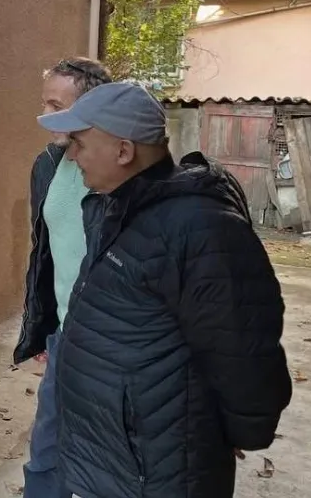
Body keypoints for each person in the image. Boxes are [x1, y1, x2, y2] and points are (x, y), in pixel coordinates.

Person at [37, 81, 293, 498]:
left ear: (123, 151)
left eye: (80, 143)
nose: (72, 154)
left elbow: (242, 346)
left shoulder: (200, 227)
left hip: (160, 465)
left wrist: (240, 429)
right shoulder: (117, 208)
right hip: (119, 456)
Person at [13, 57, 112, 498]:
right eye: (44, 103)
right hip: (64, 338)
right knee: (45, 458)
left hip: (112, 343)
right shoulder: (48, 164)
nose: (44, 115)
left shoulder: (119, 169)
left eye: (56, 105)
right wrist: (44, 327)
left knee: (106, 466)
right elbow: (46, 253)